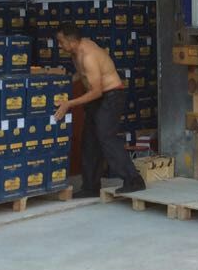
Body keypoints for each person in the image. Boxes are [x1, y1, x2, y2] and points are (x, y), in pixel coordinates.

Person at [54, 22, 146, 197]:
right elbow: (82, 74)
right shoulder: (76, 52)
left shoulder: (88, 55)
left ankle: (134, 179)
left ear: (71, 41)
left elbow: (96, 91)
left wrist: (69, 104)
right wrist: (61, 83)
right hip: (97, 97)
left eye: (61, 42)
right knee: (89, 140)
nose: (59, 46)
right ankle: (90, 187)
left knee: (106, 137)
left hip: (111, 95)